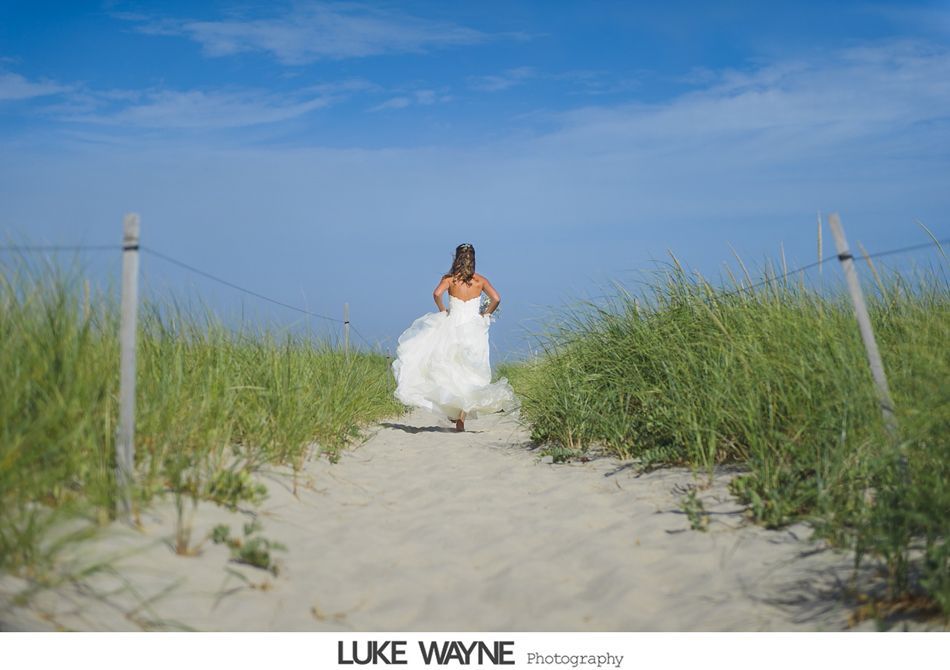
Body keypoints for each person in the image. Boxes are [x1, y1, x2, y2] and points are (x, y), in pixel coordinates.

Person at [392, 243, 518, 431]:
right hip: (474, 328)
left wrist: (443, 311)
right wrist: (486, 315)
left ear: (456, 258)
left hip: (453, 325)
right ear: (473, 259)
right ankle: (461, 416)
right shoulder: (480, 280)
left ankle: (452, 411)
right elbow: (496, 298)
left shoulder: (449, 279)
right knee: (471, 371)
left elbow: (436, 293)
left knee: (450, 368)